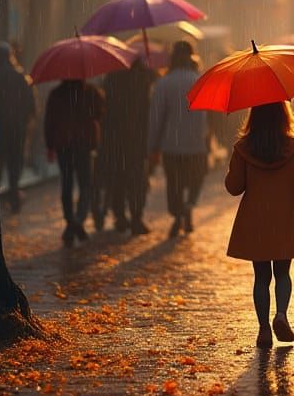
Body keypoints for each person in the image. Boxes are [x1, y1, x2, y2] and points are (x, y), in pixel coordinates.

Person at [225, 102, 294, 349]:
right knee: (282, 272)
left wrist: (232, 170)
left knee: (261, 276)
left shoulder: (243, 149)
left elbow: (234, 187)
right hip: (286, 216)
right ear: (284, 116)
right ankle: (282, 314)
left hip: (256, 217)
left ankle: (263, 328)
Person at [149, 41, 208, 237]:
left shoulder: (164, 83)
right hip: (196, 143)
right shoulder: (199, 81)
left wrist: (153, 145)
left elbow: (156, 118)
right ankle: (189, 205)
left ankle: (177, 213)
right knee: (194, 180)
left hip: (171, 145)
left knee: (174, 183)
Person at [44, 77, 105, 246]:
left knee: (67, 183)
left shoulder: (56, 94)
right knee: (86, 184)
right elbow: (100, 113)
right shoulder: (91, 92)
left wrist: (50, 145)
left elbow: (49, 121)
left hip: (63, 144)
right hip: (84, 144)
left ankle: (70, 222)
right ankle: (79, 219)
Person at [97, 60, 155, 235]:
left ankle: (120, 217)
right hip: (135, 141)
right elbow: (146, 113)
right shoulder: (141, 82)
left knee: (118, 181)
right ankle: (136, 218)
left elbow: (104, 111)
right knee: (137, 182)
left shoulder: (112, 78)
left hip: (114, 140)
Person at [0, 41, 36, 214]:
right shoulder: (20, 76)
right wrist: (24, 121)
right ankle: (14, 196)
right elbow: (31, 105)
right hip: (17, 129)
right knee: (14, 163)